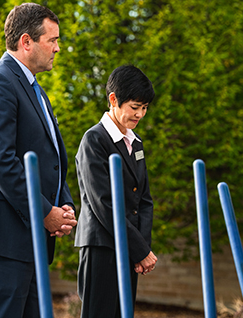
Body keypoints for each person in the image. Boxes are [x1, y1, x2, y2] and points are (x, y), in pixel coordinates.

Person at [0, 3, 77, 318]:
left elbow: (48, 157)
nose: (57, 48)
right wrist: (44, 212)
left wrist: (61, 204)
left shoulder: (34, 89)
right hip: (2, 242)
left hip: (29, 241)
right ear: (27, 42)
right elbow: (0, 162)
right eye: (51, 40)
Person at [75, 65, 158, 317]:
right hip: (101, 247)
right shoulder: (94, 140)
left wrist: (140, 248)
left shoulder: (137, 143)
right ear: (114, 100)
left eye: (144, 108)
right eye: (135, 107)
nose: (140, 114)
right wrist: (140, 250)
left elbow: (144, 199)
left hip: (129, 249)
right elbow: (104, 204)